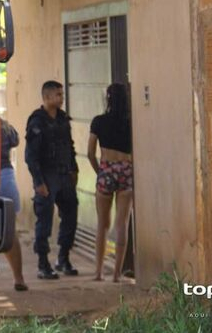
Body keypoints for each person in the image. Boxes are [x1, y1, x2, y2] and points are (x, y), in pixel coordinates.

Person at [25, 80, 79, 280]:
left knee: (71, 216)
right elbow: (31, 156)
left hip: (64, 175)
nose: (61, 98)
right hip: (47, 176)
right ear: (46, 97)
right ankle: (43, 263)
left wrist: (74, 169)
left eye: (62, 94)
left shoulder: (63, 119)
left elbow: (69, 146)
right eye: (58, 95)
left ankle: (63, 258)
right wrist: (39, 182)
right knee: (44, 221)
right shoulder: (37, 121)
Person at [87, 83, 133, 282]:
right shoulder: (131, 122)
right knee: (122, 223)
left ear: (108, 99)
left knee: (102, 224)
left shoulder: (98, 121)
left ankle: (98, 272)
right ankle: (116, 274)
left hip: (106, 169)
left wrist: (101, 172)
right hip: (126, 169)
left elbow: (90, 153)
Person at [0, 118, 28, 292]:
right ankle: (19, 279)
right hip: (6, 178)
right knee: (10, 232)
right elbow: (16, 140)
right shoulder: (2, 125)